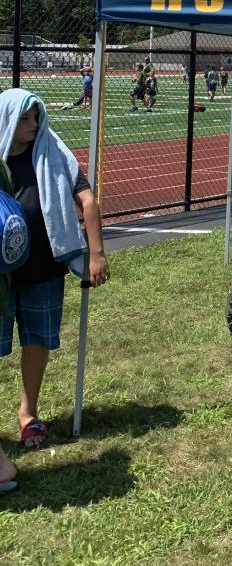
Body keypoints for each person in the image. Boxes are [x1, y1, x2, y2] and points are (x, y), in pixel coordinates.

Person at [0, 90, 109, 461]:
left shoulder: (52, 151)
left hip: (44, 268)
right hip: (1, 275)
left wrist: (96, 254)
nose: (32, 125)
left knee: (37, 341)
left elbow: (88, 200)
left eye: (35, 117)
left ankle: (28, 413)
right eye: (24, 119)